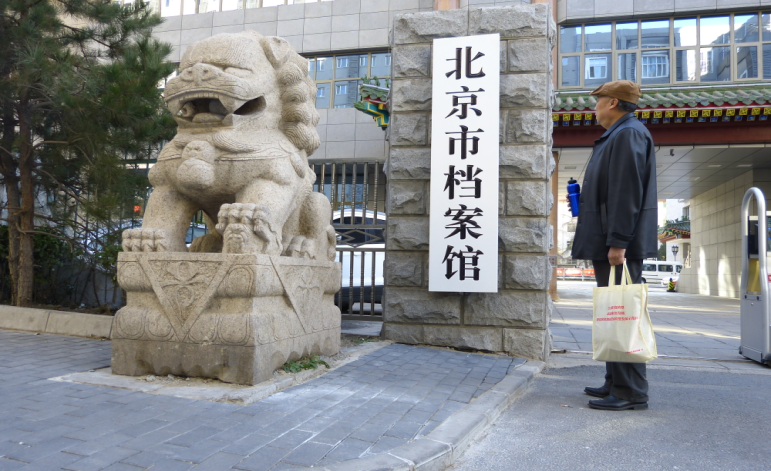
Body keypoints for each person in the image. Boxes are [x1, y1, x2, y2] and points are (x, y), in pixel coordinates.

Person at [570, 80, 658, 411]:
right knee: (614, 312)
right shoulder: (620, 134)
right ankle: (615, 381)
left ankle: (630, 391)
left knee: (623, 314)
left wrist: (619, 243)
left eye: (599, 101)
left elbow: (626, 192)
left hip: (618, 245)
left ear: (612, 103)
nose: (594, 108)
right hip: (611, 241)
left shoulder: (628, 134)